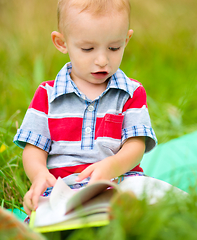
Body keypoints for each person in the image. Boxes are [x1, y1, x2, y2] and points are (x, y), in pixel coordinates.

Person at [14, 0, 157, 216]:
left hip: (118, 181)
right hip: (62, 189)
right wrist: (39, 175)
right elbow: (34, 148)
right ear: (61, 43)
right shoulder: (47, 95)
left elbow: (135, 144)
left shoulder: (130, 92)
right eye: (88, 49)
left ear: (126, 39)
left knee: (148, 196)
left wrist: (113, 165)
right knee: (42, 212)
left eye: (114, 47)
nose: (102, 60)